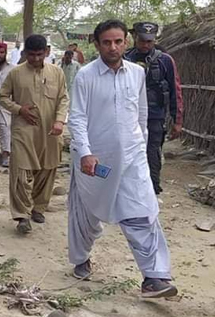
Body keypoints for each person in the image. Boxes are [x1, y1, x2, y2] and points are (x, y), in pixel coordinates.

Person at [67, 19, 178, 298]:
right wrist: (85, 152)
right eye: (107, 42)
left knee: (143, 212)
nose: (113, 47)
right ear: (97, 44)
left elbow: (140, 114)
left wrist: (140, 147)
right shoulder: (86, 76)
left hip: (132, 158)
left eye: (118, 41)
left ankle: (154, 277)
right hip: (96, 162)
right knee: (87, 213)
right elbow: (77, 118)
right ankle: (81, 256)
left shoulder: (136, 74)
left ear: (126, 42)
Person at [0, 34, 69, 234]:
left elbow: (64, 98)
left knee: (47, 169)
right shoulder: (15, 73)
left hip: (50, 130)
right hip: (24, 129)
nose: (36, 59)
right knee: (20, 170)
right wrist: (19, 109)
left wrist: (59, 120)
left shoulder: (57, 72)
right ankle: (21, 215)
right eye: (32, 55)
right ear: (25, 53)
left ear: (46, 52)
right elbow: (2, 97)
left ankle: (38, 208)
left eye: (39, 54)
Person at [124, 22, 183, 196]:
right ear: (135, 38)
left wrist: (177, 120)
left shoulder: (165, 60)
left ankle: (151, 189)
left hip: (154, 116)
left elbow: (175, 90)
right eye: (142, 40)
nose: (145, 45)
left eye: (149, 41)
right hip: (128, 116)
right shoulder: (125, 58)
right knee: (127, 152)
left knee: (152, 152)